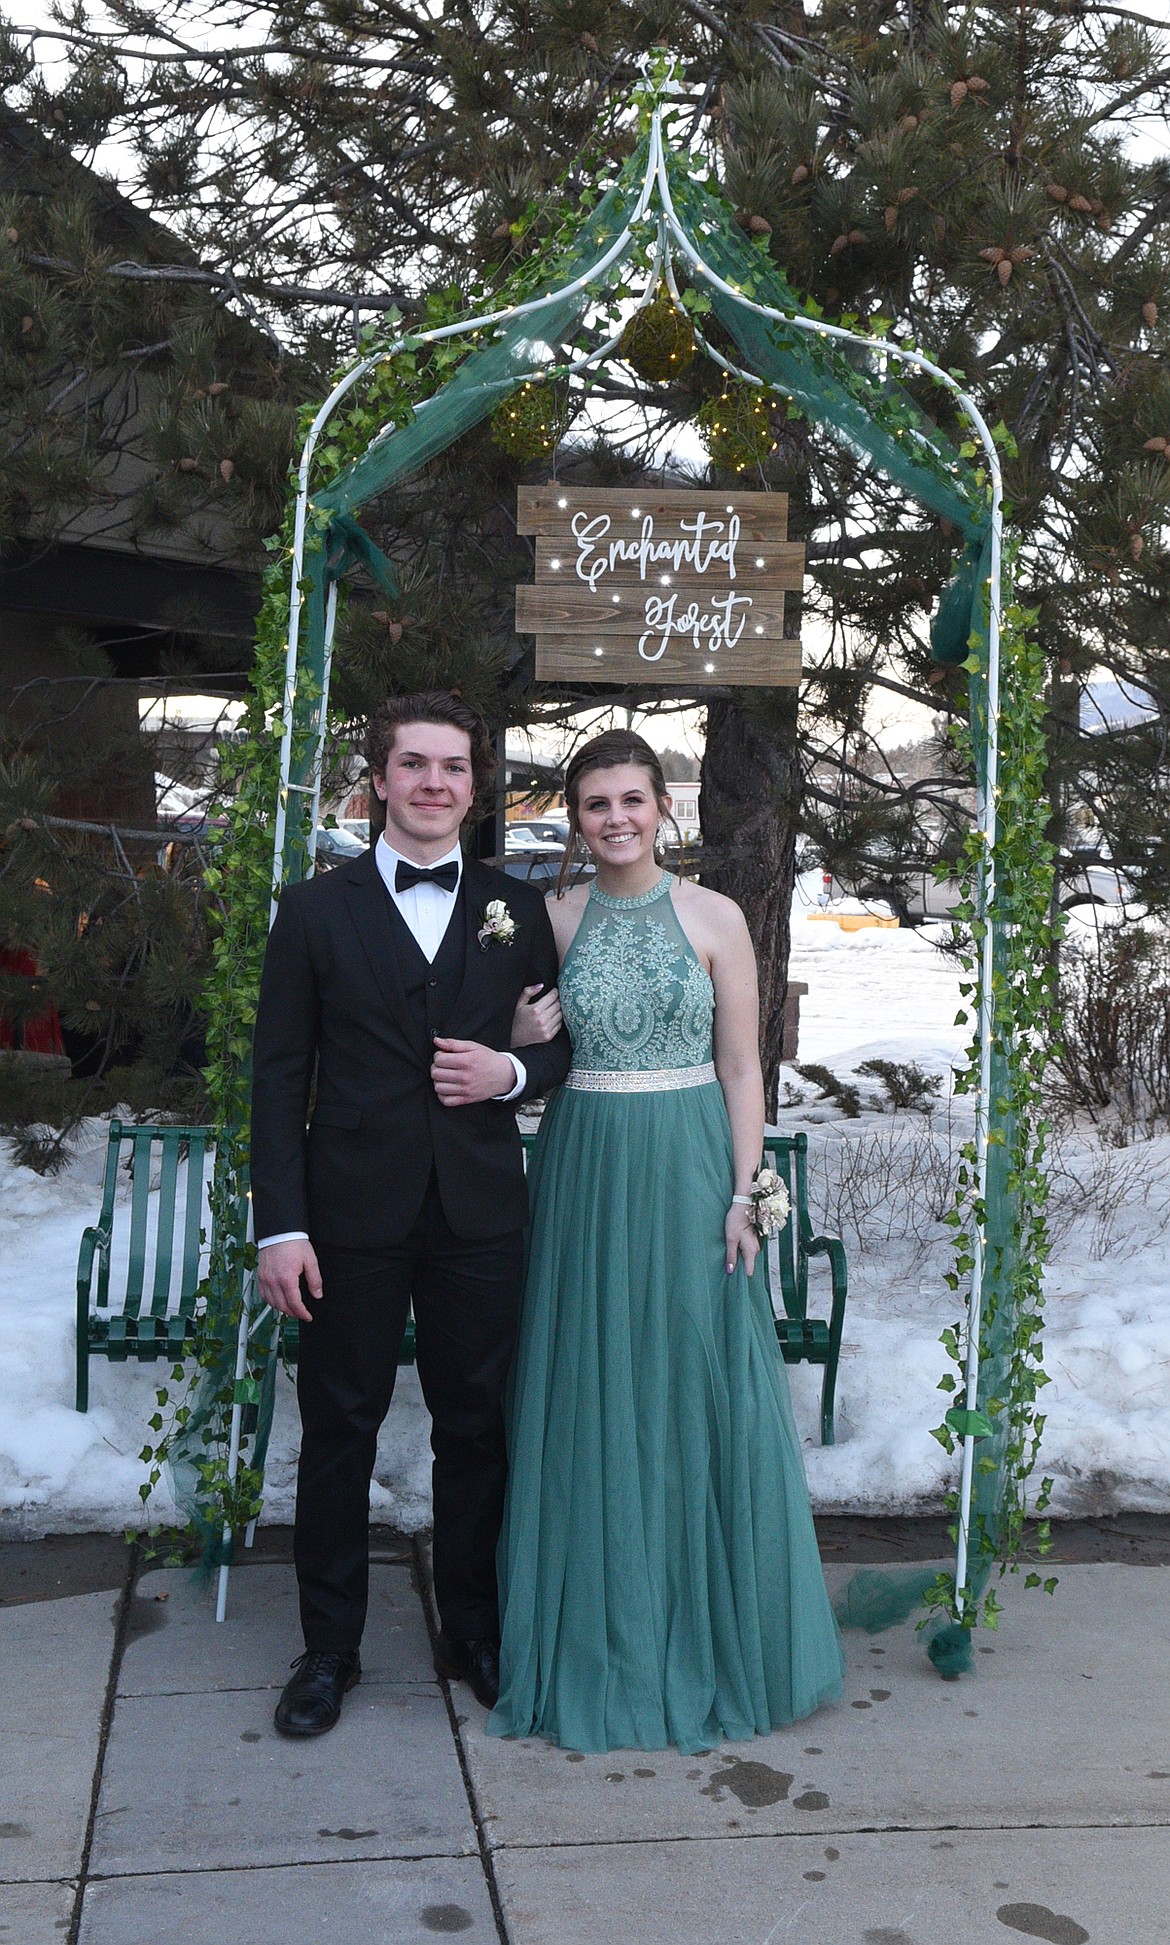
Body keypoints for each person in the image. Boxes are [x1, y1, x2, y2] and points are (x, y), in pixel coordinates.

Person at [489, 729, 844, 1754]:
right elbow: (534, 1051)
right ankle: (600, 1637)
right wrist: (519, 1039)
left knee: (694, 1380)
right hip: (588, 1163)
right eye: (595, 803)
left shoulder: (715, 916)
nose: (615, 819)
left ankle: (719, 1633)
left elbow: (744, 1071)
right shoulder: (548, 918)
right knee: (593, 1384)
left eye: (631, 799)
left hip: (693, 1166)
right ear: (574, 816)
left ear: (663, 806)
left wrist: (748, 1192)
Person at [251, 692, 572, 1737]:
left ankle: (469, 1627)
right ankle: (330, 1646)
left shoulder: (513, 906)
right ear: (379, 779)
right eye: (416, 765)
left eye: (455, 768)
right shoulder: (312, 911)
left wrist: (512, 1067)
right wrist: (280, 1225)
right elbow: (277, 1076)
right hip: (348, 1211)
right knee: (339, 1425)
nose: (436, 783)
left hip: (479, 1210)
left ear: (476, 789)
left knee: (475, 1427)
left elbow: (560, 1047)